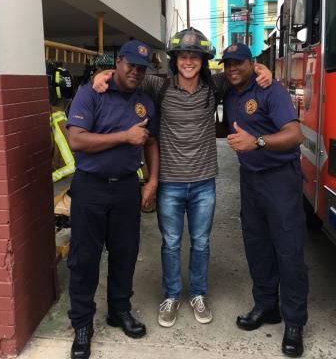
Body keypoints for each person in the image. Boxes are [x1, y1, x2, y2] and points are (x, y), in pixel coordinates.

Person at [93, 27, 272, 328]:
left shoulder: (214, 86)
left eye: (195, 56)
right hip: (170, 184)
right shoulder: (157, 86)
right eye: (184, 56)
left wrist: (260, 67)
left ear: (203, 61)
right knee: (172, 243)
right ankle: (172, 295)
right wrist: (105, 74)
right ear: (175, 59)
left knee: (201, 242)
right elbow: (129, 74)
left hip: (204, 182)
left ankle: (198, 294)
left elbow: (240, 71)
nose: (189, 61)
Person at [66, 40, 159, 359]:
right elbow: (76, 140)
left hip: (126, 189)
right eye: (131, 64)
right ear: (118, 62)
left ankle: (119, 311)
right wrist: (124, 136)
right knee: (84, 259)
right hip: (90, 187)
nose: (136, 71)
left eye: (142, 68)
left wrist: (153, 180)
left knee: (125, 253)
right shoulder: (91, 93)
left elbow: (150, 143)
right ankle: (81, 324)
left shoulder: (145, 101)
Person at [221, 43, 308, 358]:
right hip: (250, 180)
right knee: (256, 246)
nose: (232, 69)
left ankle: (295, 322)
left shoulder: (271, 91)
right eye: (228, 64)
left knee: (289, 250)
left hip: (280, 179)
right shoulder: (230, 93)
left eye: (239, 64)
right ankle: (267, 306)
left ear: (251, 63)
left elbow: (295, 134)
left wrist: (256, 142)